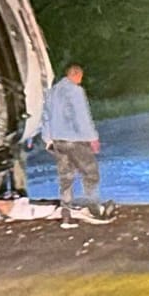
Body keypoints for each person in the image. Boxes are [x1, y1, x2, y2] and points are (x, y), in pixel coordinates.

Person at [40, 63, 112, 226]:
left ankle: (66, 215)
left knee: (65, 178)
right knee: (90, 173)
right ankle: (94, 210)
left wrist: (47, 139)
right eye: (81, 77)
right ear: (76, 74)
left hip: (58, 140)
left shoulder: (51, 92)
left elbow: (45, 117)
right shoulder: (76, 91)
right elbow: (82, 117)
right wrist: (93, 138)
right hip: (76, 140)